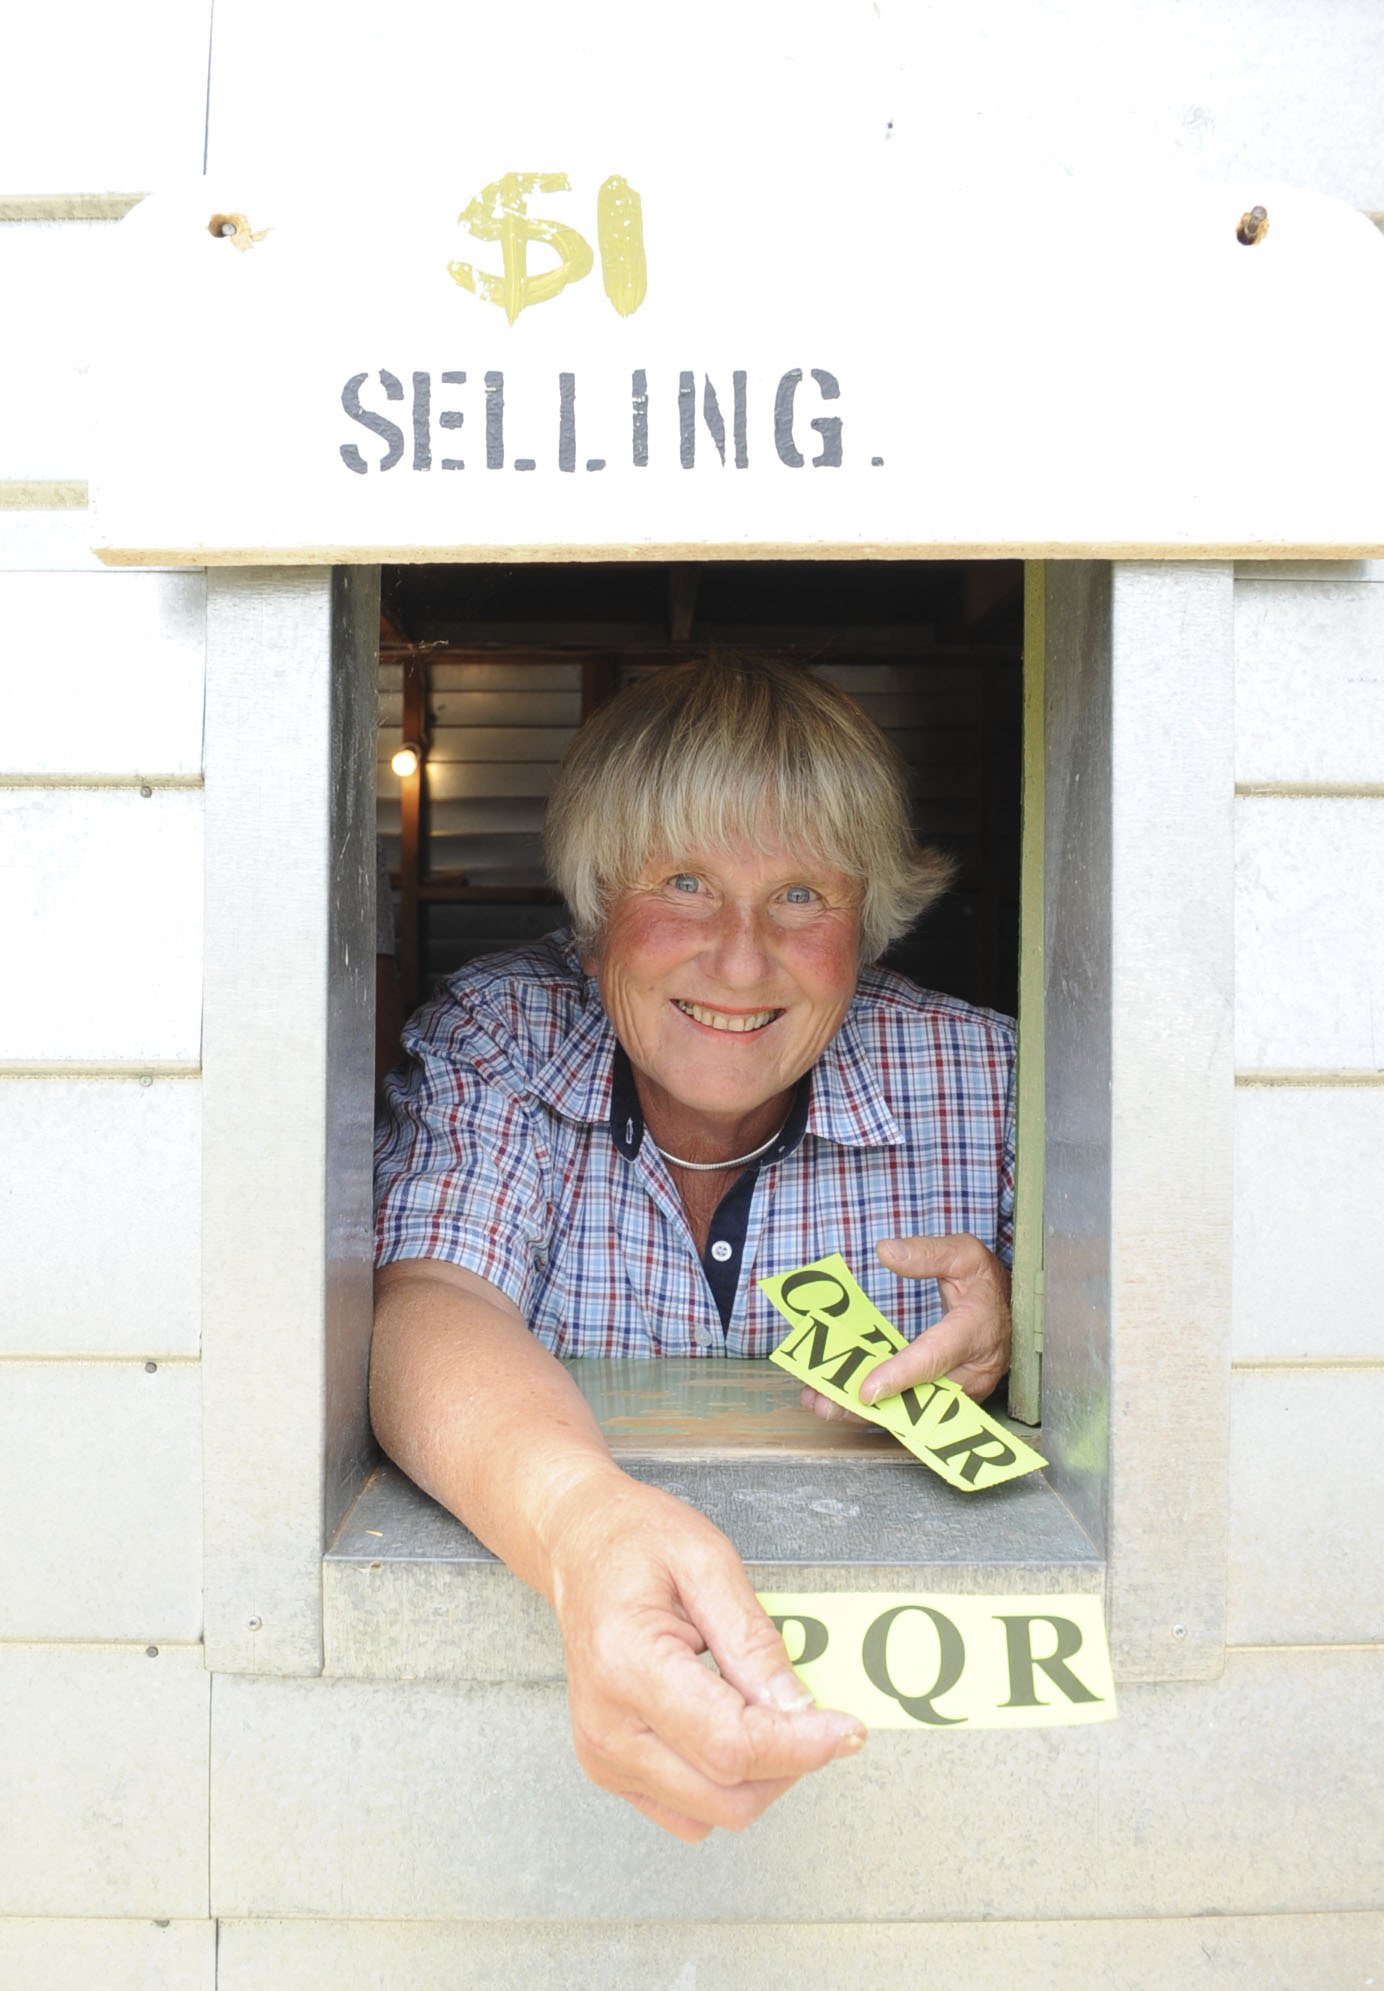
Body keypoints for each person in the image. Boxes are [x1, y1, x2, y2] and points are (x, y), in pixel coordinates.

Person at [372, 656, 1015, 1841]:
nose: (737, 956)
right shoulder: (500, 1036)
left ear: (867, 917)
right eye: (683, 881)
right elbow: (427, 1298)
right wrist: (581, 1521)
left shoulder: (991, 1076)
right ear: (593, 900)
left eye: (801, 896)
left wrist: (1031, 1317)